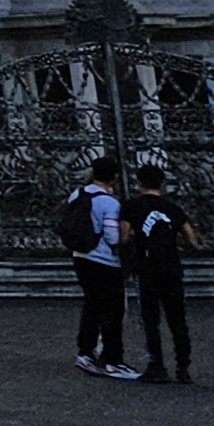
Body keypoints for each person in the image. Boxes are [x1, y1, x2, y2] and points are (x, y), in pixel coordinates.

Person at [64, 154, 135, 379]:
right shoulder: (109, 203)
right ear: (114, 177)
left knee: (92, 304)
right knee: (112, 310)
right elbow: (114, 237)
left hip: (81, 256)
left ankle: (86, 352)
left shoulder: (78, 194)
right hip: (104, 260)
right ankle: (113, 359)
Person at [125, 163, 190, 385]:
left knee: (150, 318)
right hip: (171, 266)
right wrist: (176, 243)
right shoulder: (173, 209)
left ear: (139, 183)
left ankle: (156, 365)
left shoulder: (131, 207)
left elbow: (123, 236)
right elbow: (192, 238)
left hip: (146, 268)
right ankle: (183, 366)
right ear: (162, 183)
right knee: (177, 318)